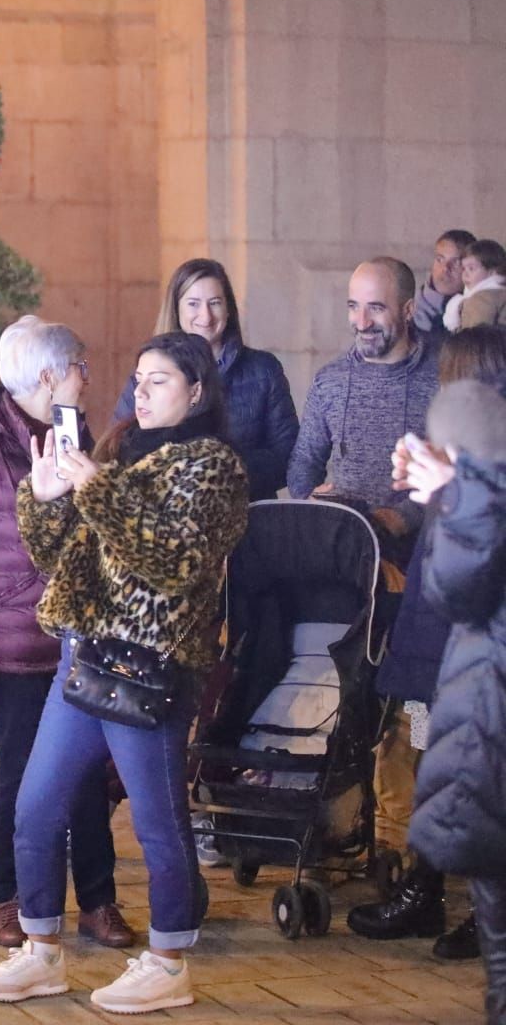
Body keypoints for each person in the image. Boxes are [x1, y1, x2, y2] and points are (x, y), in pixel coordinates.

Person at [0, 333, 248, 1013]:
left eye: (159, 380)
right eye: (138, 376)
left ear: (197, 390)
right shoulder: (117, 451)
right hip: (85, 656)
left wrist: (96, 489)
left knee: (159, 823)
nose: (142, 390)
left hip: (149, 669)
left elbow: (169, 561)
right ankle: (40, 951)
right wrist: (43, 498)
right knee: (36, 808)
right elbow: (59, 554)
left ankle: (168, 959)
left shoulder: (213, 468)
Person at [0, 316, 131, 950]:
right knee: (20, 777)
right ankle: (10, 898)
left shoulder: (76, 435)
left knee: (91, 776)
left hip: (79, 639)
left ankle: (98, 901)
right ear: (48, 376)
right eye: (79, 366)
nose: (88, 376)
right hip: (16, 648)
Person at [347, 327, 506, 957]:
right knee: (422, 759)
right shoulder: (454, 447)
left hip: (470, 654)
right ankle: (422, 890)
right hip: (424, 649)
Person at [399, 373, 506, 1025]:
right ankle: (420, 885)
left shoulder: (476, 498)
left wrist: (453, 497)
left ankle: (422, 887)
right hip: (424, 680)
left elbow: (459, 590)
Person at [115, 258, 298, 501]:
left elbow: (288, 454)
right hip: (164, 518)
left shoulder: (262, 370)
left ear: (229, 308)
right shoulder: (148, 373)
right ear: (176, 308)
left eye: (215, 303)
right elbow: (118, 444)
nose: (205, 315)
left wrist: (218, 475)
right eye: (193, 304)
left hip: (250, 515)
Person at [287, 257, 441, 544]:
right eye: (353, 306)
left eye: (376, 308)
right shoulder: (329, 380)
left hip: (419, 551)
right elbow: (304, 458)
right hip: (340, 545)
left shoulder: (442, 379)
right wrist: (308, 499)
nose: (362, 321)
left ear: (408, 310)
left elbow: (456, 474)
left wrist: (397, 519)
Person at [414, 229, 476, 335]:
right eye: (440, 259)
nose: (445, 268)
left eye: (456, 262)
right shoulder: (405, 317)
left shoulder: (485, 314)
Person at [444, 238, 506, 331]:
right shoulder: (500, 294)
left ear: (492, 272)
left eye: (471, 268)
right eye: (464, 268)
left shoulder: (481, 299)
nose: (465, 274)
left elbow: (474, 340)